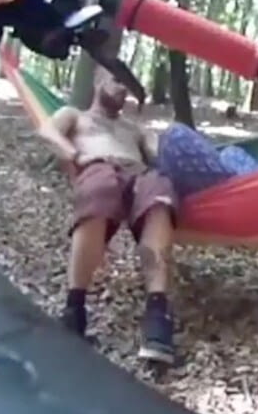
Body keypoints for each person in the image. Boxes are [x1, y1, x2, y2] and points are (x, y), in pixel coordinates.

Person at [37, 72, 179, 364]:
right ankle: (74, 309)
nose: (123, 87)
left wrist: (169, 145)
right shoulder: (74, 115)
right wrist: (74, 155)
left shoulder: (134, 128)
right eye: (116, 80)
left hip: (138, 174)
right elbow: (47, 132)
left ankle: (157, 313)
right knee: (101, 190)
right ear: (98, 80)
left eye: (127, 83)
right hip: (97, 168)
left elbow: (159, 153)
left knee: (160, 197)